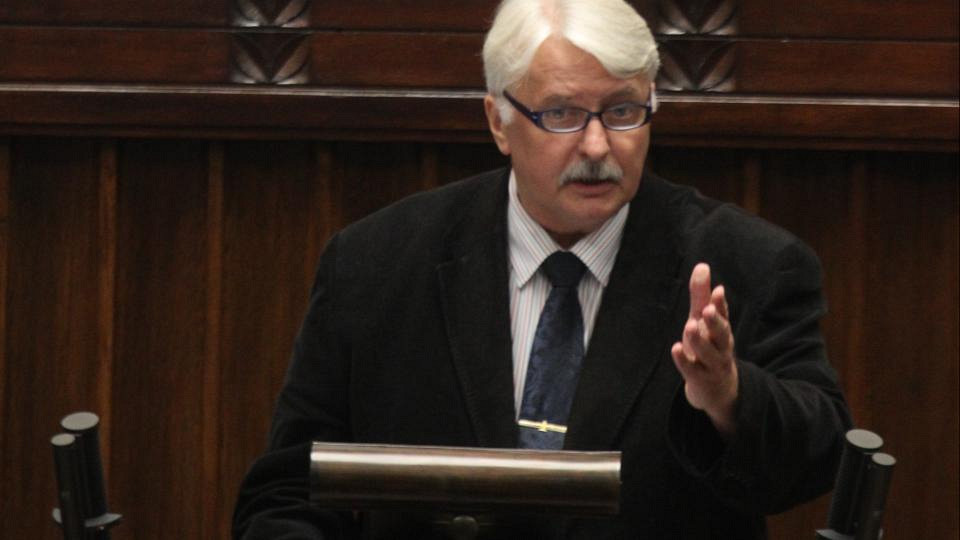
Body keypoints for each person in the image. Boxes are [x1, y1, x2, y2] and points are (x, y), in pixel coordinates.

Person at [233, 0, 851, 538]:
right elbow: (288, 491)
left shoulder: (749, 264)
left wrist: (728, 398)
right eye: (561, 114)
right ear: (498, 121)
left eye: (622, 111)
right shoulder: (376, 264)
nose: (597, 146)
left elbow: (820, 457)